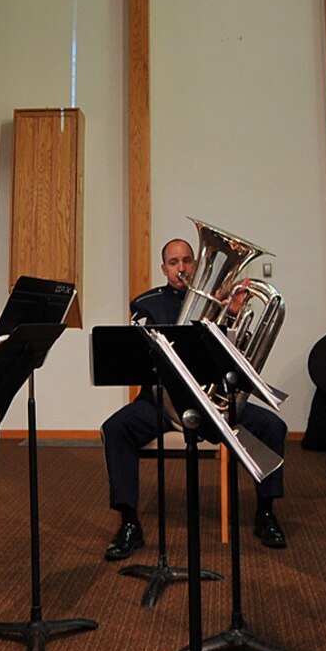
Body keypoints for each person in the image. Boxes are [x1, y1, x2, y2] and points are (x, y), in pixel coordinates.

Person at [99, 237, 290, 557]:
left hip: (214, 402)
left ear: (197, 265)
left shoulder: (222, 303)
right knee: (115, 428)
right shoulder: (147, 303)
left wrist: (230, 317)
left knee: (273, 427)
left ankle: (266, 513)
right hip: (163, 401)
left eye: (188, 260)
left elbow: (235, 359)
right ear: (164, 269)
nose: (182, 268)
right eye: (174, 263)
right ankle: (129, 522)